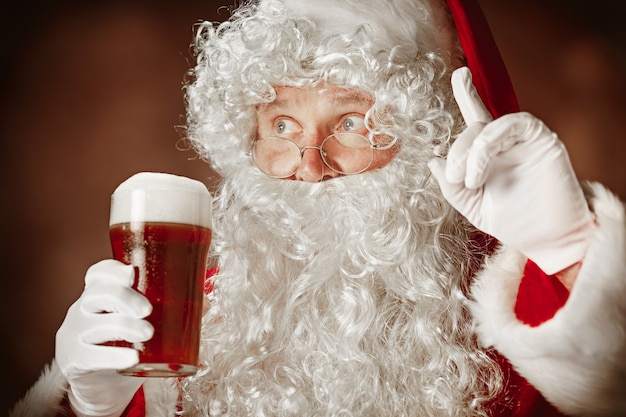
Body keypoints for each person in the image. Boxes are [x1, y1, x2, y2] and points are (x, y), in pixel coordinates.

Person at [11, 0, 626, 416]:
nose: (308, 163)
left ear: (425, 134)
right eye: (282, 123)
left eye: (352, 122)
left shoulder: (527, 308)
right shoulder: (194, 309)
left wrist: (570, 255)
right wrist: (97, 404)